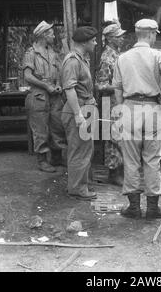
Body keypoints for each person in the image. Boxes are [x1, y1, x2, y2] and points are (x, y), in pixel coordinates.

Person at [113, 19, 161, 219]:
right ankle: (152, 207)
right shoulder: (159, 55)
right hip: (152, 108)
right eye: (155, 34)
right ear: (151, 34)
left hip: (129, 108)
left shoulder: (122, 58)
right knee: (152, 158)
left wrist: (121, 106)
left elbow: (117, 86)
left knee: (131, 159)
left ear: (136, 33)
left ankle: (133, 207)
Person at [23, 20, 67, 173]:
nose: (53, 36)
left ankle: (56, 157)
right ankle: (42, 160)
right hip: (39, 96)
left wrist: (59, 84)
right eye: (50, 33)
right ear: (42, 35)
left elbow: (60, 72)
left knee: (57, 126)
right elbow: (27, 76)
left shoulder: (53, 54)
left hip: (54, 96)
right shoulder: (31, 53)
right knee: (40, 129)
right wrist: (45, 85)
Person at [61, 26, 98, 200]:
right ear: (84, 42)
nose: (96, 43)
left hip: (85, 108)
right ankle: (77, 188)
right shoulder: (73, 61)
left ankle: (81, 184)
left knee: (85, 149)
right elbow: (69, 89)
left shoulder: (82, 59)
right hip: (78, 109)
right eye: (93, 40)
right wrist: (78, 115)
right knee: (78, 150)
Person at [95, 22, 126, 186]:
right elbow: (100, 84)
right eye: (119, 36)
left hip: (118, 103)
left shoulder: (117, 54)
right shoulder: (107, 57)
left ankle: (119, 171)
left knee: (119, 137)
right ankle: (114, 173)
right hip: (110, 103)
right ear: (110, 39)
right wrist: (118, 87)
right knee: (113, 140)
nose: (122, 38)